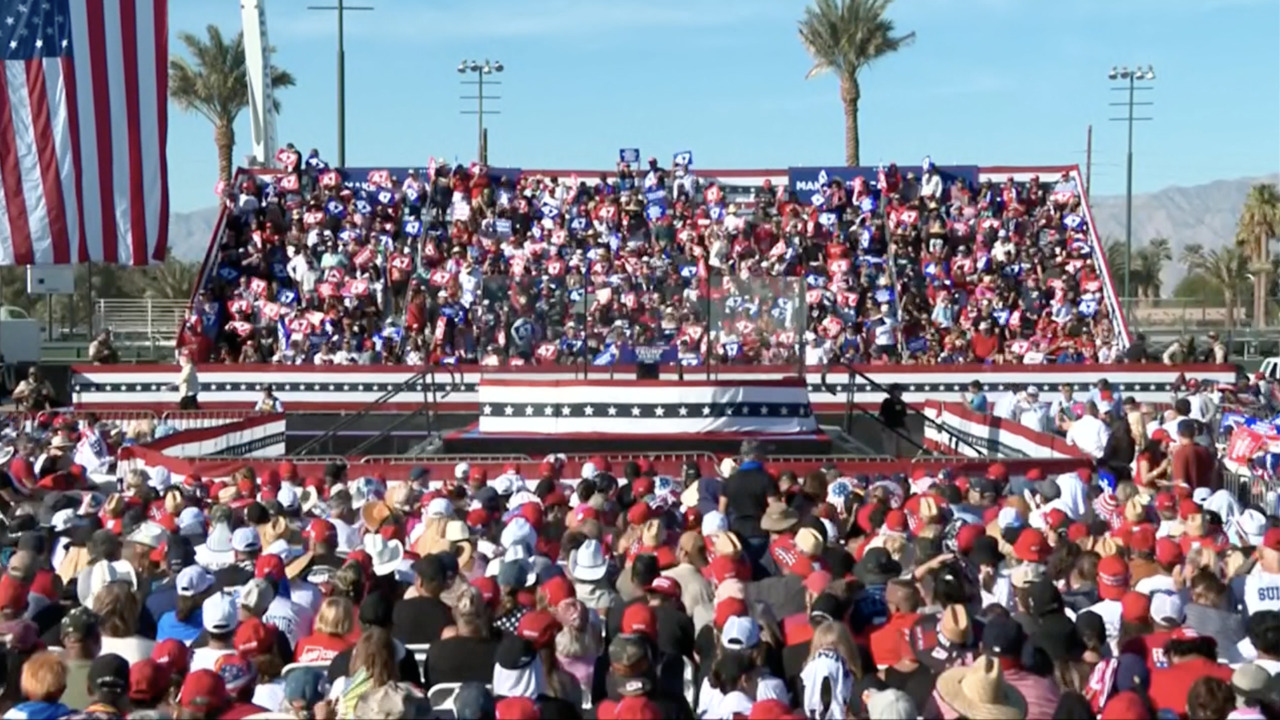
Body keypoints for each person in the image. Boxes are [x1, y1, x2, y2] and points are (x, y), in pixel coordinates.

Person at [720, 440, 778, 575]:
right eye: (763, 453)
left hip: (737, 534)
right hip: (760, 532)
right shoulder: (766, 479)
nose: (766, 457)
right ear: (757, 455)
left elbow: (721, 511)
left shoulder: (730, 481)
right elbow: (774, 509)